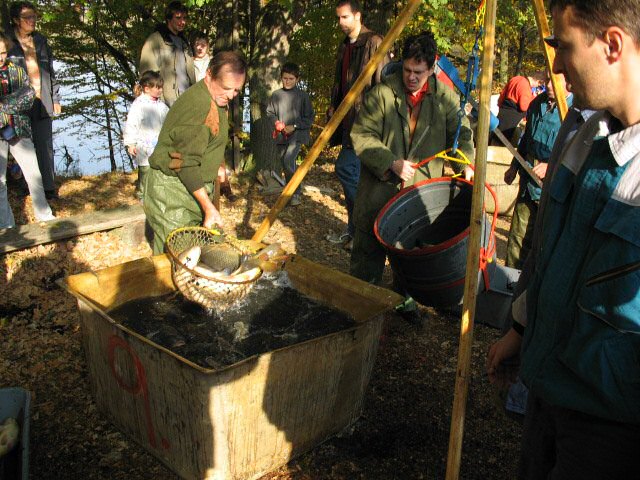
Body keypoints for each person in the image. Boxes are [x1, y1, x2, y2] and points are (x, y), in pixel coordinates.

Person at [486, 0, 640, 478]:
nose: (555, 65)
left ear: (612, 44)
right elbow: (549, 252)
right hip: (548, 394)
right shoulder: (583, 133)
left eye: (565, 47)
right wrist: (521, 328)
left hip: (612, 426)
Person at [349, 31, 474, 320]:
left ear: (432, 69)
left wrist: (465, 163)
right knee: (367, 260)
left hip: (417, 198)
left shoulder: (445, 98)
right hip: (378, 196)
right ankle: (357, 310)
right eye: (407, 70)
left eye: (419, 72)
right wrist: (390, 162)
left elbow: (461, 135)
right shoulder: (382, 94)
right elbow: (361, 135)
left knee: (408, 258)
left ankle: (403, 302)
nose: (411, 77)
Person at [143, 51, 245, 254]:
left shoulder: (214, 98)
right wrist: (209, 208)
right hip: (172, 193)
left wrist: (218, 164)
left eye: (237, 90)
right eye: (226, 88)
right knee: (179, 259)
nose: (231, 95)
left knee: (193, 256)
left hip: (188, 188)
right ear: (209, 75)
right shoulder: (199, 106)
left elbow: (209, 139)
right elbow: (185, 163)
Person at [326, 0, 390, 249]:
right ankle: (355, 231)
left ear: (357, 16)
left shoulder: (374, 41)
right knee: (355, 175)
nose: (341, 23)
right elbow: (340, 82)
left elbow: (382, 85)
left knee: (345, 169)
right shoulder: (344, 47)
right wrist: (334, 106)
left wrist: (377, 121)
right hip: (346, 121)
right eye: (338, 18)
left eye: (345, 17)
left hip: (366, 123)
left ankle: (367, 226)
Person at [504, 73, 572, 269]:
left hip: (552, 189)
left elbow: (578, 151)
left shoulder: (574, 111)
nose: (549, 85)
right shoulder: (536, 104)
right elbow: (526, 139)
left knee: (540, 241)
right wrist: (514, 166)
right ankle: (509, 280)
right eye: (548, 79)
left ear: (568, 81)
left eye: (555, 81)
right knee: (518, 235)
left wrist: (551, 167)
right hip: (528, 181)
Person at [8, 1, 62, 200]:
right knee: (22, 145)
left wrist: (56, 97)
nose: (32, 20)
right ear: (15, 20)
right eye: (27, 17)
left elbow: (51, 72)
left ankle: (48, 187)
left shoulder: (41, 40)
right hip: (17, 104)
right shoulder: (7, 42)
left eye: (34, 16)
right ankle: (27, 185)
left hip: (43, 99)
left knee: (44, 144)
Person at [0, 33, 55, 228]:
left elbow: (28, 96)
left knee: (34, 173)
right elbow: (20, 99)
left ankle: (44, 215)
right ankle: (6, 225)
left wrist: (3, 104)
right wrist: (12, 103)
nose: (1, 57)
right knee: (1, 181)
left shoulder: (17, 71)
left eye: (3, 52)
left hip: (19, 130)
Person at [266, 62, 315, 206]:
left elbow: (309, 118)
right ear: (281, 78)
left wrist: (294, 126)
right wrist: (276, 123)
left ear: (297, 79)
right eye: (285, 78)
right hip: (281, 136)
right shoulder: (276, 95)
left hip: (297, 136)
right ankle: (290, 191)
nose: (287, 81)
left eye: (291, 79)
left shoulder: (303, 96)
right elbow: (270, 112)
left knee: (288, 161)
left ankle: (295, 193)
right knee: (286, 164)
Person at [123, 71, 169, 201]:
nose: (160, 90)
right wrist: (130, 143)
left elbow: (169, 122)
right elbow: (131, 124)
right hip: (144, 146)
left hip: (159, 146)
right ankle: (142, 196)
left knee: (158, 171)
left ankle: (157, 195)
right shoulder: (139, 105)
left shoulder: (161, 105)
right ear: (147, 89)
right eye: (157, 87)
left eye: (161, 87)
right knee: (145, 171)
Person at [139, 1, 195, 107]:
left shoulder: (184, 42)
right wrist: (159, 101)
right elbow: (147, 74)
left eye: (184, 18)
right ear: (169, 19)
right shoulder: (155, 40)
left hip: (187, 101)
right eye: (178, 18)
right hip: (166, 103)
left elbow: (191, 75)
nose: (182, 22)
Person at [492, 71, 545, 145]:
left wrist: (501, 106)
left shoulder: (516, 78)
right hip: (512, 117)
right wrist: (533, 98)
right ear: (538, 82)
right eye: (539, 85)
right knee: (503, 141)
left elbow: (502, 95)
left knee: (496, 136)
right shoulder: (526, 87)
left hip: (503, 111)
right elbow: (524, 107)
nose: (536, 87)